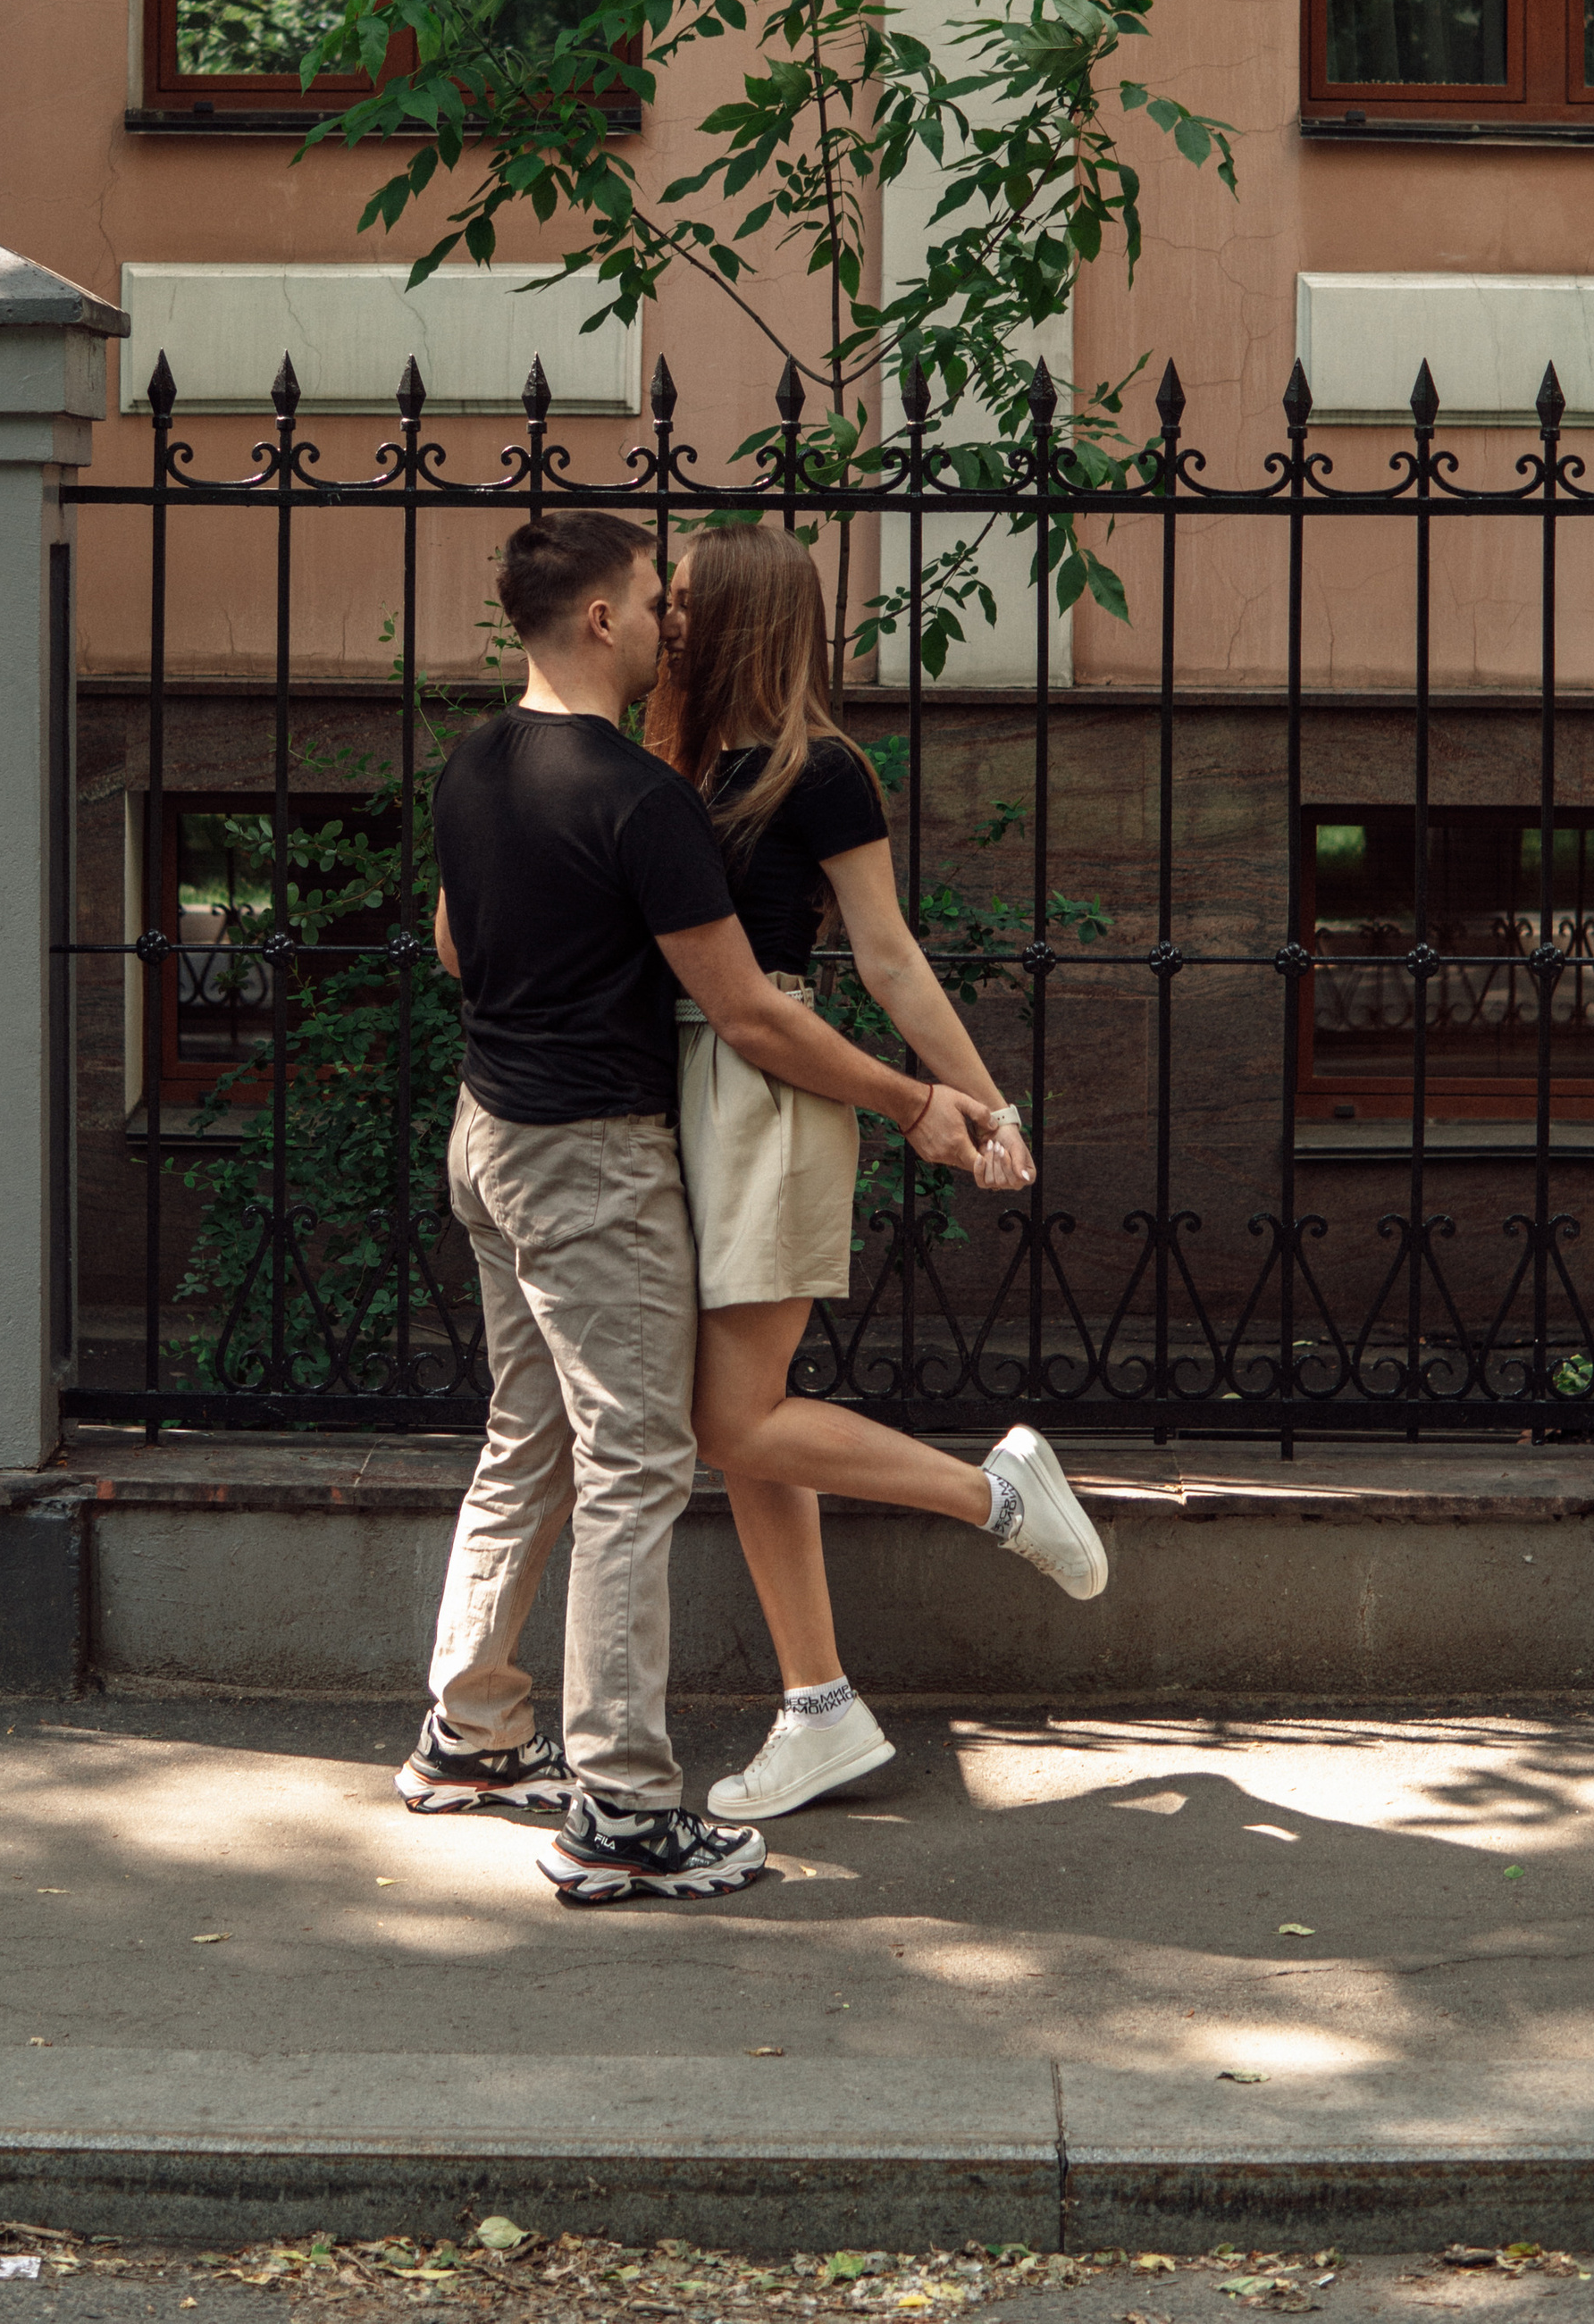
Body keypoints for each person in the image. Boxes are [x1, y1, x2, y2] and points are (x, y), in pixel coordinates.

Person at [402, 508, 1003, 1908]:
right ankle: (620, 1806)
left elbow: (450, 944)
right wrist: (916, 1104)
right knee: (634, 1463)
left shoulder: (480, 762)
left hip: (484, 1136)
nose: (675, 618)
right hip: (588, 1157)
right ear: (604, 619)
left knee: (528, 1433)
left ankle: (473, 1735)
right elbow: (747, 1014)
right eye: (652, 597)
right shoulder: (640, 797)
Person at [646, 523, 1109, 1825]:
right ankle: (819, 1708)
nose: (665, 619)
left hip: (769, 1092)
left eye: (683, 602)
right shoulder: (667, 760)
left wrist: (982, 1103)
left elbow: (890, 957)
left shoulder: (821, 770)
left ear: (735, 610)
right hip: (672, 1088)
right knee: (747, 1422)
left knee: (731, 1419)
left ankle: (996, 1494)